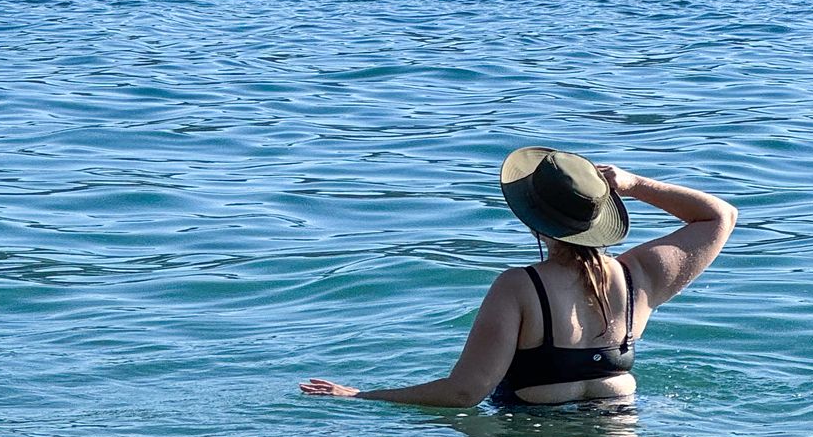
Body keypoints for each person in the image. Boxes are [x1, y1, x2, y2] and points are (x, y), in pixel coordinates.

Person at [300, 146, 736, 407]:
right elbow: (720, 215)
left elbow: (464, 394)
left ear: (535, 222)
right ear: (600, 217)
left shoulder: (518, 288)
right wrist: (636, 184)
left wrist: (360, 397)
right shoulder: (637, 278)